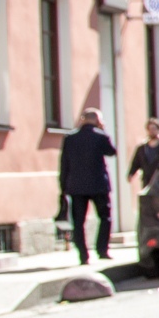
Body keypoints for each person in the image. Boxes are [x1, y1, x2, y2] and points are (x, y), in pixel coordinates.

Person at [58, 109, 118, 265]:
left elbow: (64, 164)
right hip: (98, 184)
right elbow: (112, 152)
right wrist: (103, 131)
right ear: (98, 121)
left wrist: (63, 186)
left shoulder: (70, 138)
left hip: (76, 186)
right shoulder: (100, 136)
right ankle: (102, 250)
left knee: (78, 222)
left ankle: (83, 256)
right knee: (105, 217)